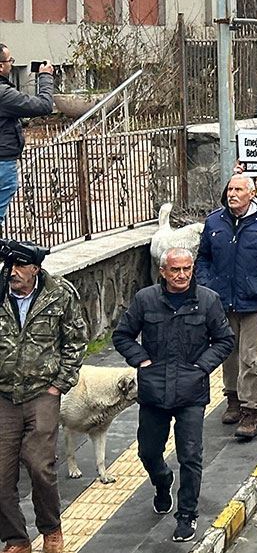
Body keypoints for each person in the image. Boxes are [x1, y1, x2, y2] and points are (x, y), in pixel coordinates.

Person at [112, 248, 234, 544]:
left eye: (187, 269)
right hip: (154, 391)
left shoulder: (207, 300)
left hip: (191, 391)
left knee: (190, 455)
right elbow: (122, 335)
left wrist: (201, 367)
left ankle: (187, 514)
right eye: (175, 270)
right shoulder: (145, 299)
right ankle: (162, 481)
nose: (182, 275)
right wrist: (141, 360)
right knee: (148, 451)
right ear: (163, 271)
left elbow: (224, 339)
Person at [0, 239, 85, 553]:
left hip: (42, 393)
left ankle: (51, 530)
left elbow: (76, 340)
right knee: (1, 475)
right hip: (4, 396)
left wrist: (59, 384)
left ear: (36, 268)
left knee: (40, 466)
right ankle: (17, 539)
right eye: (10, 266)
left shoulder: (59, 293)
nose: (14, 273)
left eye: (21, 266)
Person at [196, 174, 257, 441]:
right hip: (222, 300)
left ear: (251, 193)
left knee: (251, 356)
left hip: (255, 302)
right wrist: (207, 284)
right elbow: (203, 258)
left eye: (238, 189)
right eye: (230, 189)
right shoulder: (214, 221)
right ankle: (233, 399)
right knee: (229, 353)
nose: (232, 194)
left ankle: (251, 410)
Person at [0, 50, 53, 228]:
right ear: (1, 66)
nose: (11, 64)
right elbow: (43, 105)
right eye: (10, 61)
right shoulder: (3, 94)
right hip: (2, 161)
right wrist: (45, 77)